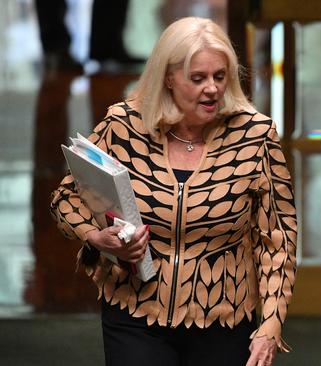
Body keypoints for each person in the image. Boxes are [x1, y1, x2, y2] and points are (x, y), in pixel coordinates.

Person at [50, 17, 297, 366]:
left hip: (224, 317)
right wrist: (95, 237)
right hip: (136, 312)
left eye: (219, 76)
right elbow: (66, 198)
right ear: (168, 77)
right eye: (198, 78)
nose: (212, 88)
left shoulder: (256, 136)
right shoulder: (123, 125)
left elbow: (278, 240)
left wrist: (270, 326)